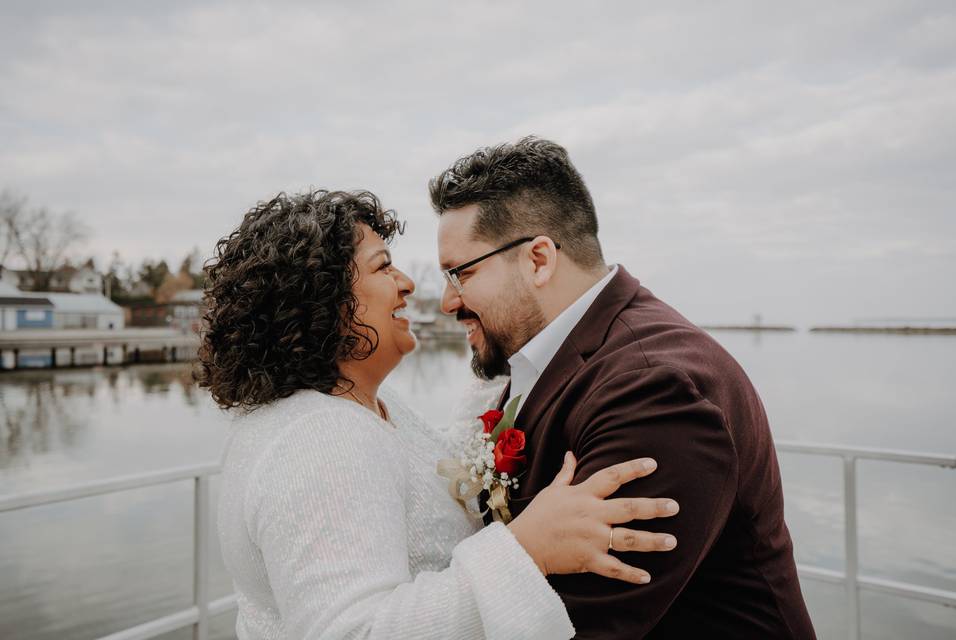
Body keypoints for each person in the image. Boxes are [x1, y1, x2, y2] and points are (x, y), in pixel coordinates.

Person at [198, 190, 681, 639]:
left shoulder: (360, 410)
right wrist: (528, 548)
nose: (407, 283)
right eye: (384, 267)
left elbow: (430, 470)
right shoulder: (320, 438)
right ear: (324, 299)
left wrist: (511, 335)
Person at [430, 137, 817, 639]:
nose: (446, 302)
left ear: (539, 260)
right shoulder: (553, 359)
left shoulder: (654, 388)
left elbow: (575, 625)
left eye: (460, 273)